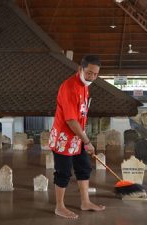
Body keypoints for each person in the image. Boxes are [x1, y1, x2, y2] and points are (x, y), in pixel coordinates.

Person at [48, 55, 105, 219]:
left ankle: (85, 202)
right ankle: (59, 207)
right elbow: (71, 120)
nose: (92, 77)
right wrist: (87, 141)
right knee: (63, 172)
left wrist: (83, 138)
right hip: (63, 138)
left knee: (84, 167)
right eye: (89, 73)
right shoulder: (70, 87)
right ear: (80, 69)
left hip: (77, 137)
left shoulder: (85, 86)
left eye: (95, 74)